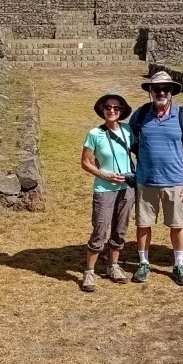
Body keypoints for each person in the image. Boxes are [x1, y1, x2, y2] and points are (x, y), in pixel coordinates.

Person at [129, 71, 183, 286]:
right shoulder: (140, 116)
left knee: (177, 225)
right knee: (143, 223)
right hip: (146, 180)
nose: (161, 92)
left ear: (172, 92)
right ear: (150, 91)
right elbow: (128, 143)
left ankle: (178, 264)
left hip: (175, 181)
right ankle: (143, 262)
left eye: (165, 89)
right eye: (156, 89)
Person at [80, 92, 136, 292]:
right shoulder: (95, 133)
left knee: (120, 229)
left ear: (121, 111)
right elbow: (85, 162)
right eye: (108, 107)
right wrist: (105, 175)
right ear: (102, 110)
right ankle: (89, 271)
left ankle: (113, 265)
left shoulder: (128, 130)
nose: (112, 111)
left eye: (116, 108)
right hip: (104, 188)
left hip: (127, 187)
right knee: (100, 229)